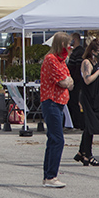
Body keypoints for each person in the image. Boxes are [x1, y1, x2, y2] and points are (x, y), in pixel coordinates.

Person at [40, 32, 74, 188]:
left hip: (59, 103)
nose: (71, 47)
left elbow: (70, 80)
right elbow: (63, 81)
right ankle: (51, 176)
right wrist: (67, 81)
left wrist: (67, 81)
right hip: (51, 102)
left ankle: (49, 176)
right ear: (62, 45)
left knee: (54, 140)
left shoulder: (61, 61)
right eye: (69, 44)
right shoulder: (51, 59)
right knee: (58, 139)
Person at [75, 38, 99, 167]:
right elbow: (87, 80)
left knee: (91, 127)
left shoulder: (96, 62)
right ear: (93, 51)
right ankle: (88, 155)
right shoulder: (86, 63)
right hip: (88, 96)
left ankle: (82, 152)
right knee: (90, 125)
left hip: (96, 96)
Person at [66, 33, 85, 130]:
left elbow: (78, 69)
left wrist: (73, 81)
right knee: (72, 102)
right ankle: (73, 122)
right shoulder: (75, 51)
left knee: (74, 102)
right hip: (74, 80)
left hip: (76, 82)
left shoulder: (79, 52)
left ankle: (77, 123)